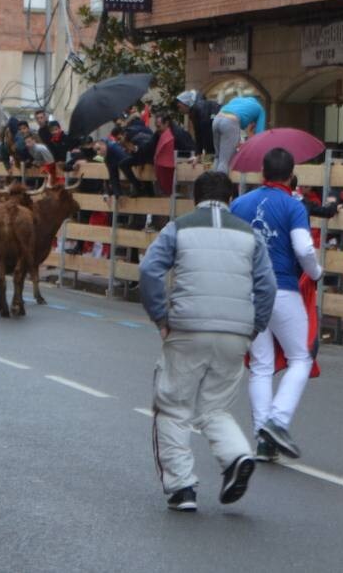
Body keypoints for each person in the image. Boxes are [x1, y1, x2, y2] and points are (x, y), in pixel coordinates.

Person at [139, 171, 276, 512]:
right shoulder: (251, 235)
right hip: (236, 332)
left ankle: (182, 487)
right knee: (214, 406)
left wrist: (161, 316)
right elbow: (267, 287)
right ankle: (237, 456)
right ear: (231, 198)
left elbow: (149, 271)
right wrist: (254, 326)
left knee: (172, 406)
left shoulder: (178, 228)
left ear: (194, 197)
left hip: (187, 327)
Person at [231, 147, 322, 462]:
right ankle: (278, 421)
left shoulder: (239, 204)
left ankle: (261, 437)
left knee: (261, 366)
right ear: (291, 174)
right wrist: (316, 272)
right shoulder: (293, 206)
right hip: (282, 289)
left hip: (247, 292)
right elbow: (304, 249)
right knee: (301, 358)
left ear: (262, 173)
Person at [213, 96, 267, 174]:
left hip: (216, 119)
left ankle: (211, 182)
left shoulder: (236, 100)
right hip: (230, 121)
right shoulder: (260, 109)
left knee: (218, 157)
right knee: (225, 162)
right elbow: (260, 134)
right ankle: (220, 185)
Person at [175, 89, 221, 159]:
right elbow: (199, 133)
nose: (179, 110)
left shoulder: (200, 108)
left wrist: (209, 153)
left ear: (185, 103)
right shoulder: (195, 110)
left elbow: (205, 131)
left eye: (179, 107)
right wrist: (198, 153)